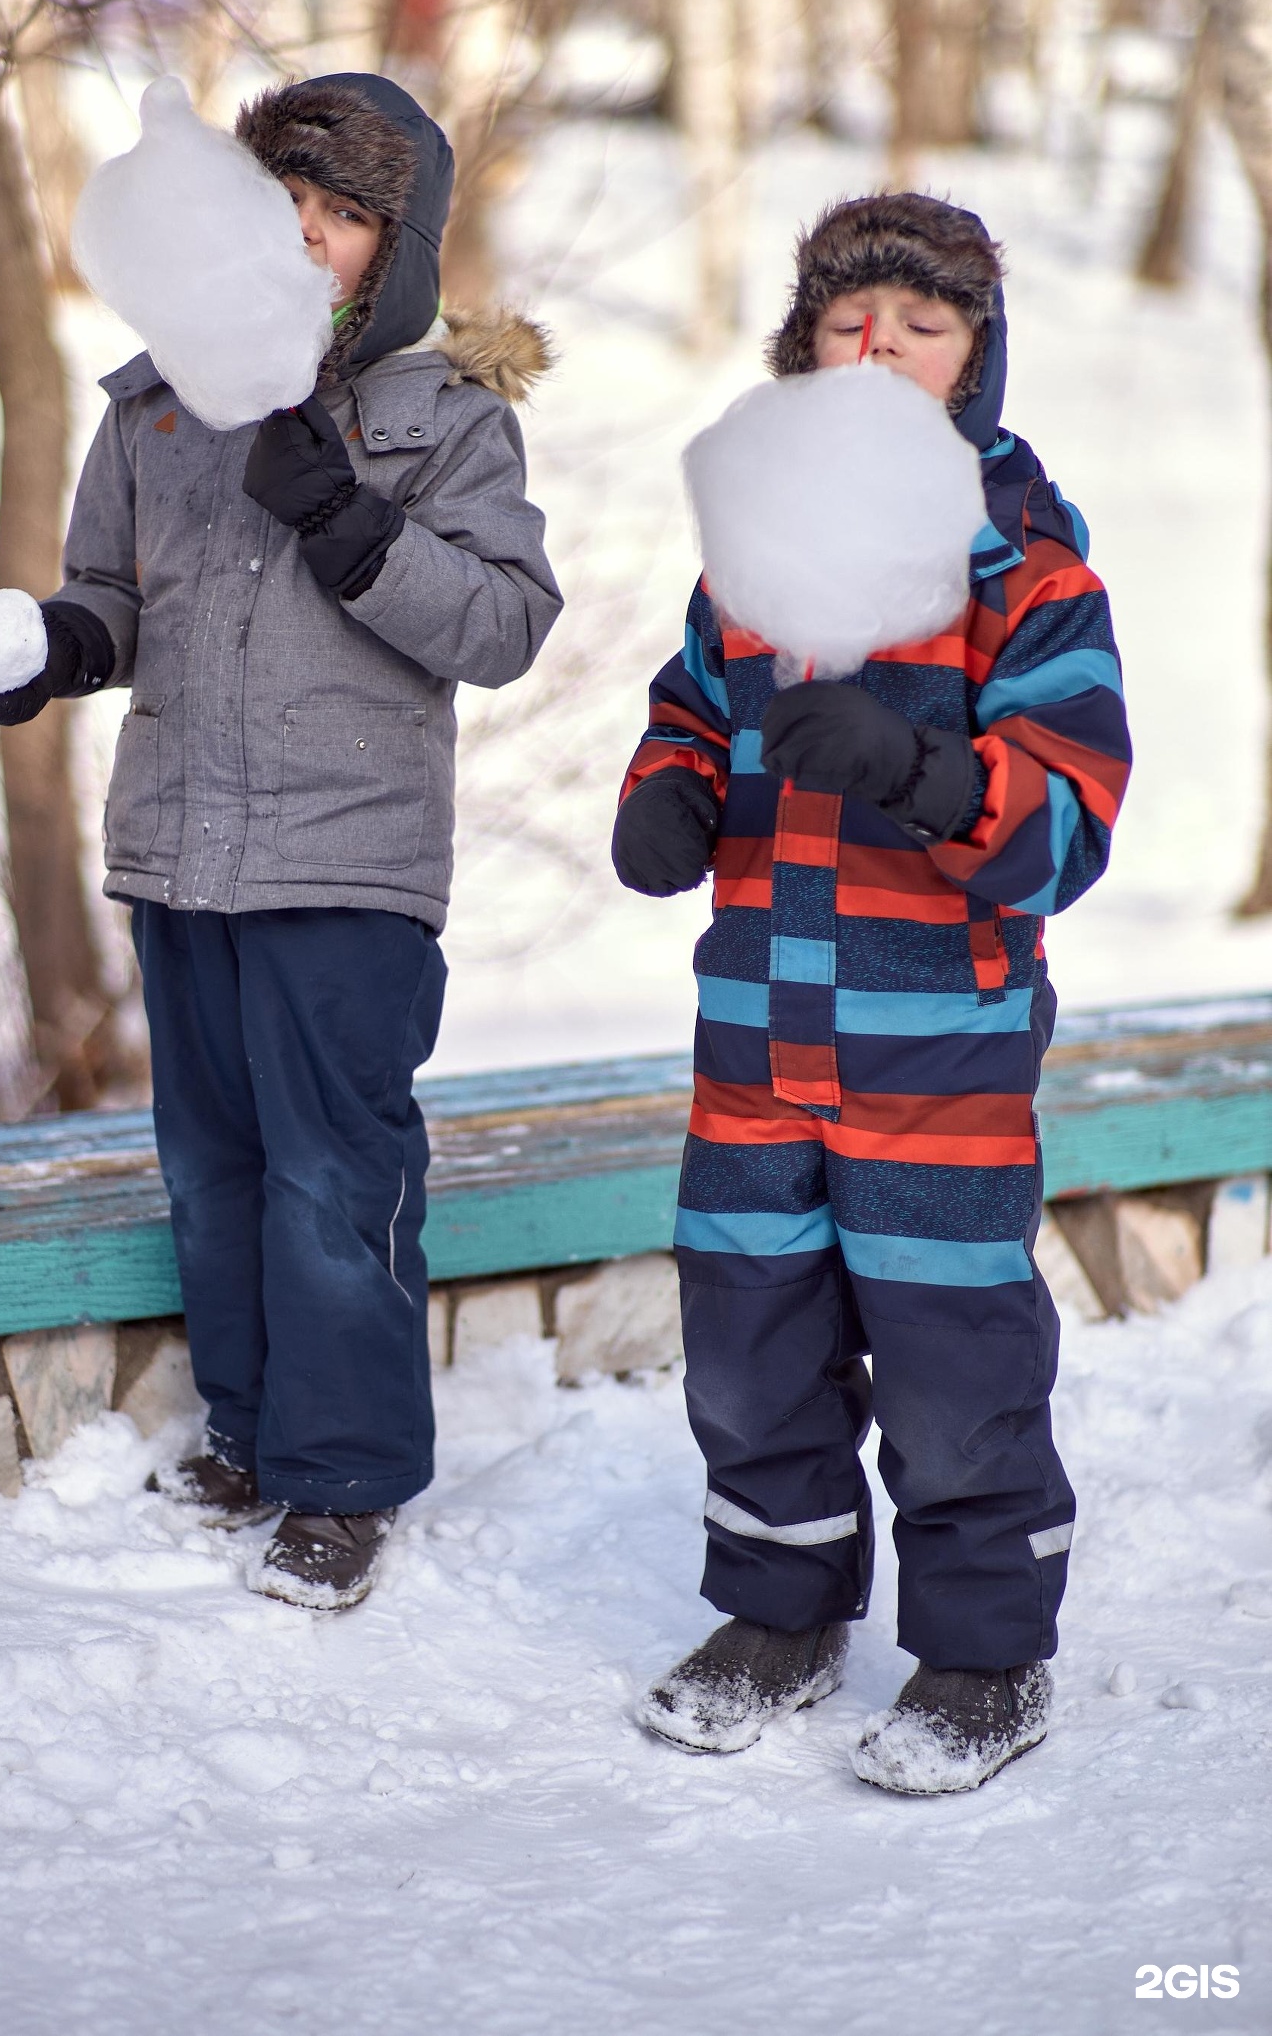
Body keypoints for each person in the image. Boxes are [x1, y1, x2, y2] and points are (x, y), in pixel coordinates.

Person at [0, 74, 562, 1612]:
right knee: (213, 1170)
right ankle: (249, 1427)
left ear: (393, 251)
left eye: (343, 214)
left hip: (343, 870)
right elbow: (115, 596)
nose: (305, 236)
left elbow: (503, 624)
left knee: (330, 1179)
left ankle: (343, 1476)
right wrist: (46, 649)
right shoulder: (155, 403)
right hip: (178, 850)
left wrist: (351, 523)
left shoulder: (442, 420)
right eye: (280, 202)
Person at [611, 193, 1130, 1792]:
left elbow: (1065, 826)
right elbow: (685, 714)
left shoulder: (1031, 586)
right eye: (849, 325)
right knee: (749, 1347)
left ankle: (984, 1654)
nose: (881, 348)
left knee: (951, 1361)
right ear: (807, 349)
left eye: (922, 324)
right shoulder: (749, 575)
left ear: (975, 359)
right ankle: (780, 1612)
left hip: (938, 1056)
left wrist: (918, 767)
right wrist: (666, 794)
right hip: (760, 1039)